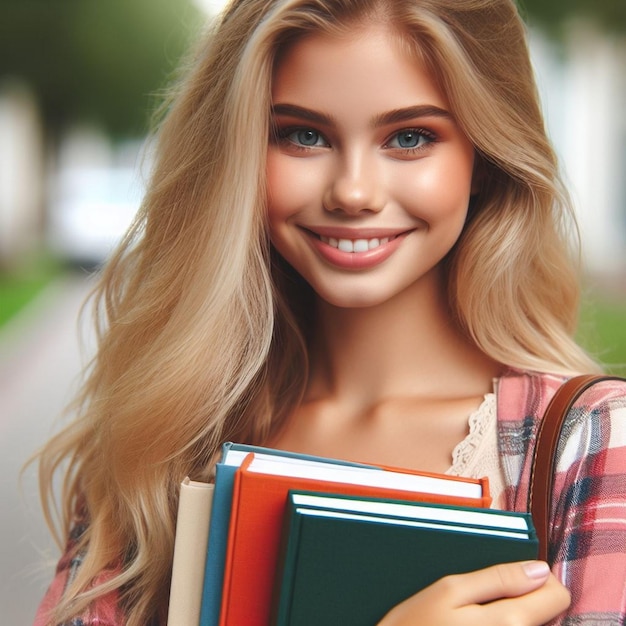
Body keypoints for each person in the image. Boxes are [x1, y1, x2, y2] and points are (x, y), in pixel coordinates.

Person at [33, 0, 626, 625]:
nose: (353, 192)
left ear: (482, 156)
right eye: (303, 135)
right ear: (239, 154)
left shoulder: (587, 445)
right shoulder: (159, 441)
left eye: (410, 137)